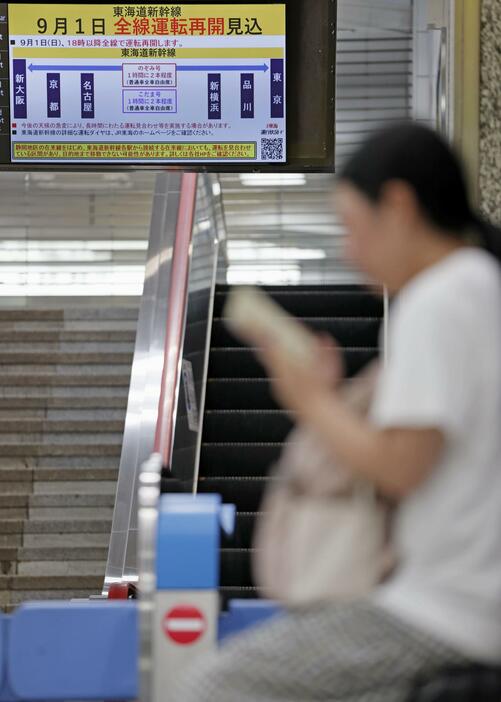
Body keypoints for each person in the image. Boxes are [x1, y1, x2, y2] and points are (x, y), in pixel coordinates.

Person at [173, 123, 501, 701]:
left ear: (398, 207)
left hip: (446, 610)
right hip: (470, 603)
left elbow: (402, 466)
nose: (349, 252)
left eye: (352, 226)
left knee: (211, 686)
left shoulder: (437, 299)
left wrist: (311, 402)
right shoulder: (479, 286)